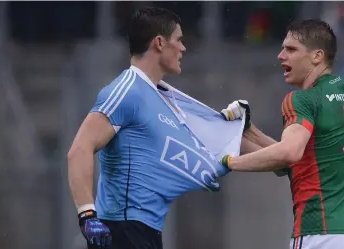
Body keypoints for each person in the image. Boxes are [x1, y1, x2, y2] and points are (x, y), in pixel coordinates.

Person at [67, 6, 244, 249]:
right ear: (159, 43)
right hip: (120, 230)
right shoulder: (127, 90)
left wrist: (252, 131)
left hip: (146, 232)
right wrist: (87, 215)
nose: (183, 48)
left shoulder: (162, 97)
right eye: (179, 40)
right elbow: (79, 149)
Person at [221, 19, 344, 249]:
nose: (280, 56)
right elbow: (296, 161)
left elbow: (289, 153)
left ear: (317, 56)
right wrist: (250, 132)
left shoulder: (302, 99)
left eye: (291, 49)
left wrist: (229, 163)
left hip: (323, 232)